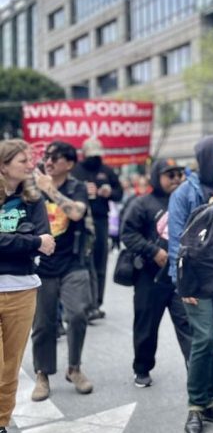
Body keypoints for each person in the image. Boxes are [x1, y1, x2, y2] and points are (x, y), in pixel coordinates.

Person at [168, 135, 213, 433]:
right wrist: (184, 283)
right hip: (195, 280)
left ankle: (210, 400)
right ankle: (195, 406)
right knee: (204, 337)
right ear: (210, 158)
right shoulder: (185, 193)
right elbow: (175, 243)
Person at [0, 140, 54, 433]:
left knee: (9, 367)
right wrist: (29, 240)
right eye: (23, 159)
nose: (29, 163)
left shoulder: (33, 199)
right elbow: (36, 240)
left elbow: (46, 243)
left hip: (22, 290)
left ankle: (0, 427)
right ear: (4, 164)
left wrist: (27, 242)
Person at [30, 141, 94, 400]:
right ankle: (42, 374)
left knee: (78, 314)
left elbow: (77, 213)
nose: (49, 161)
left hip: (72, 263)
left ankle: (74, 368)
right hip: (41, 266)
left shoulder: (76, 187)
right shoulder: (31, 189)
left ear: (69, 163)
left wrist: (52, 191)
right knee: (43, 324)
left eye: (56, 157)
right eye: (47, 156)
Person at [120, 159, 192, 388]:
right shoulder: (141, 203)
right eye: (169, 175)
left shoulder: (187, 201)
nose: (176, 179)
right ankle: (141, 368)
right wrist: (153, 251)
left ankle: (196, 373)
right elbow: (127, 234)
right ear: (156, 177)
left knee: (189, 327)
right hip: (150, 278)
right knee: (146, 326)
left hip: (179, 278)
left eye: (179, 174)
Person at [72, 136, 122, 322]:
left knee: (100, 261)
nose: (94, 158)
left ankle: (97, 302)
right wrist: (82, 190)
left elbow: (119, 193)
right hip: (81, 222)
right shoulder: (76, 171)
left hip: (101, 220)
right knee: (84, 262)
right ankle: (85, 303)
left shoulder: (107, 170)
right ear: (83, 154)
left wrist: (108, 192)